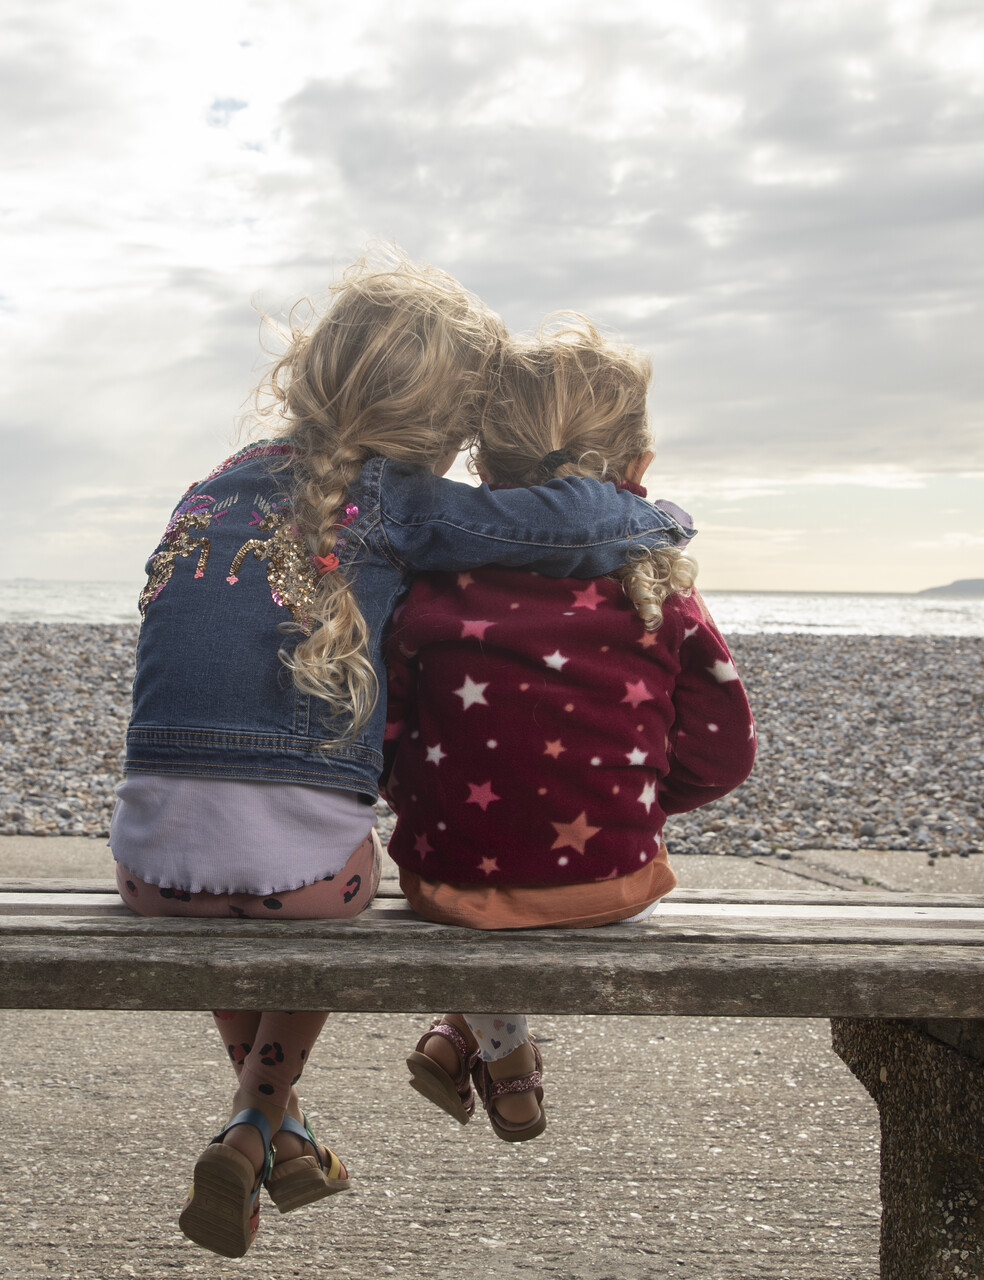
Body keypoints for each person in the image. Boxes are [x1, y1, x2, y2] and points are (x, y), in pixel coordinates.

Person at [112, 257, 692, 1258]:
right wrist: (658, 520)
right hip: (305, 885)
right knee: (314, 882)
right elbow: (553, 531)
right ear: (435, 426)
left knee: (228, 881)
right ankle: (259, 1116)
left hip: (149, 868)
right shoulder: (396, 498)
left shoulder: (210, 486)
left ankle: (273, 1127)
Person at [383, 315, 756, 1142]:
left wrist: (453, 795)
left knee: (491, 880)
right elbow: (726, 757)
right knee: (525, 876)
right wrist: (635, 795)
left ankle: (485, 1043)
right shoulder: (660, 595)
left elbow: (385, 741)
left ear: (481, 465)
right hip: (608, 882)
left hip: (447, 884)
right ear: (640, 467)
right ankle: (485, 1046)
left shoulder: (435, 588)